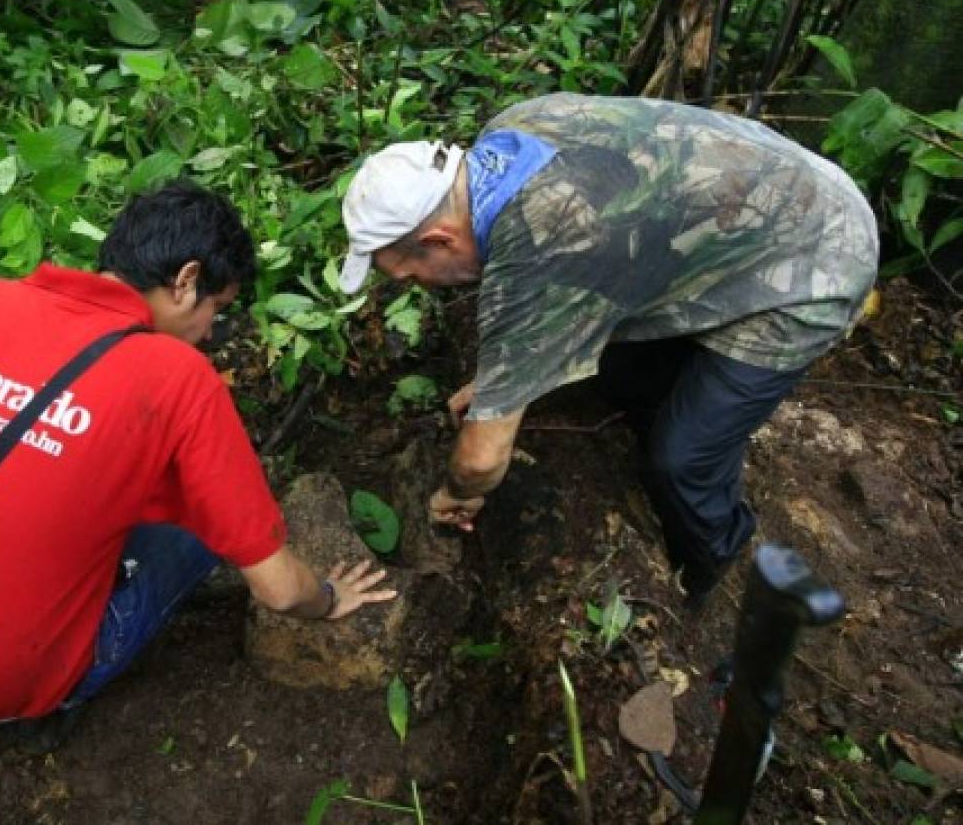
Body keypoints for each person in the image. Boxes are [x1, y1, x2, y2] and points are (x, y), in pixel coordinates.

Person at [0, 180, 395, 741]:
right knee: (203, 527)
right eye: (215, 310)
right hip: (3, 688)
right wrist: (330, 597)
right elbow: (280, 590)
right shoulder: (174, 376)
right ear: (185, 280)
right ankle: (39, 707)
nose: (209, 332)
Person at [337, 92, 877, 608]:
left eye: (412, 275)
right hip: (784, 185)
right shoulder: (512, 131)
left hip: (816, 259)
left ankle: (713, 561)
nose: (420, 286)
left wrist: (456, 494)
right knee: (619, 377)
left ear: (439, 240)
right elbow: (578, 269)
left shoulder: (539, 248)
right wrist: (511, 373)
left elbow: (481, 461)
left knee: (682, 457)